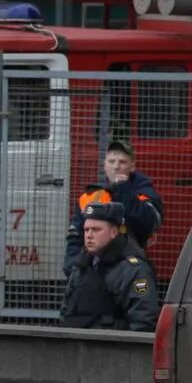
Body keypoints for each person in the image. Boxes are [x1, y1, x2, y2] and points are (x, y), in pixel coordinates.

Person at [65, 139, 163, 274]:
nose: (116, 167)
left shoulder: (145, 193)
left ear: (132, 166)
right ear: (104, 165)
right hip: (94, 270)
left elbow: (147, 224)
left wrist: (122, 190)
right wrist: (73, 266)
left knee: (141, 292)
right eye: (111, 162)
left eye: (122, 162)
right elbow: (76, 235)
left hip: (129, 268)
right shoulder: (91, 196)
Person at [60, 201, 158, 331]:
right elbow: (66, 312)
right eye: (86, 230)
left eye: (96, 230)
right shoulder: (82, 266)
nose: (89, 235)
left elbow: (143, 320)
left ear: (114, 232)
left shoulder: (133, 270)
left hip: (113, 348)